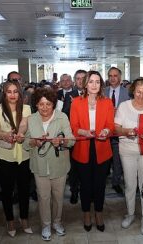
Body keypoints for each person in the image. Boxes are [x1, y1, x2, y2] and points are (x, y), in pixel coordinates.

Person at [23, 87, 74, 241]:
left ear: (54, 104)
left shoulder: (62, 117)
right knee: (43, 197)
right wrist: (34, 142)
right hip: (39, 165)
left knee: (58, 197)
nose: (44, 108)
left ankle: (57, 222)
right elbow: (25, 144)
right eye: (41, 104)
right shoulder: (31, 119)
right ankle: (46, 225)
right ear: (36, 105)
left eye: (48, 104)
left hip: (59, 164)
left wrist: (62, 141)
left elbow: (71, 140)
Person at [70, 70, 114, 232]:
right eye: (91, 81)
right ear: (85, 84)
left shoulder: (107, 102)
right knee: (86, 185)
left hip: (102, 148)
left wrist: (106, 132)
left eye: (97, 81)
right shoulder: (76, 102)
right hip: (83, 147)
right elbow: (73, 126)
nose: (94, 85)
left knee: (100, 185)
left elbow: (110, 125)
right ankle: (86, 213)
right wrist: (84, 132)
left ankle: (99, 213)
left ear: (101, 84)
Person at [115, 78, 143, 235]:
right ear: (133, 91)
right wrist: (126, 131)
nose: (141, 95)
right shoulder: (123, 106)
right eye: (138, 92)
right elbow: (116, 128)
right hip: (127, 149)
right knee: (129, 184)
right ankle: (131, 214)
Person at [0, 79, 32, 237]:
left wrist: (20, 134)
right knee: (6, 191)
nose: (13, 95)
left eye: (16, 91)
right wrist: (5, 135)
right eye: (9, 92)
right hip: (4, 156)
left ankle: (24, 218)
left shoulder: (26, 108)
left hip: (23, 156)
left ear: (19, 93)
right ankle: (10, 220)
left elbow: (24, 124)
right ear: (4, 93)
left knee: (24, 190)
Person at [62, 69, 87, 204]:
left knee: (87, 167)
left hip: (88, 137)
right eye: (77, 78)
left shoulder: (93, 95)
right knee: (74, 167)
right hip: (74, 137)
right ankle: (74, 192)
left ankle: (86, 191)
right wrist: (72, 105)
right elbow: (64, 115)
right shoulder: (69, 95)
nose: (80, 81)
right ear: (74, 81)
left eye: (83, 78)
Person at [104, 67, 130, 195]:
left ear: (120, 77)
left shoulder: (128, 93)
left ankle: (116, 182)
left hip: (120, 131)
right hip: (104, 131)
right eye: (110, 76)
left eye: (115, 75)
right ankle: (102, 181)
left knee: (117, 160)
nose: (112, 78)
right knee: (104, 159)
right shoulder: (102, 92)